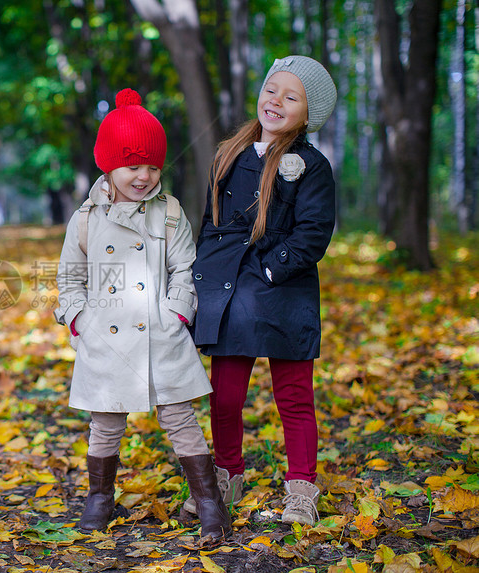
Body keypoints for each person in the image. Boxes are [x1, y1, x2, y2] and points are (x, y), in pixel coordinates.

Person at [55, 88, 231, 543]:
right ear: (109, 165)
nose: (144, 176)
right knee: (106, 422)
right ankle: (99, 497)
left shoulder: (169, 213)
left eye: (153, 166)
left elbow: (184, 269)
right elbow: (69, 277)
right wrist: (79, 321)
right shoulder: (86, 219)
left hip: (160, 333)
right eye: (133, 166)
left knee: (180, 418)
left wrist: (176, 311)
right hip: (105, 337)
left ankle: (209, 501)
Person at [189, 56, 338, 526]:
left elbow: (313, 232)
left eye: (291, 97)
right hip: (228, 295)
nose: (275, 101)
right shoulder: (230, 152)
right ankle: (227, 475)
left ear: (307, 114)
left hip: (282, 294)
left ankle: (301, 487)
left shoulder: (311, 166)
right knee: (225, 396)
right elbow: (210, 222)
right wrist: (200, 278)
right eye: (272, 89)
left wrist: (272, 271)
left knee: (293, 396)